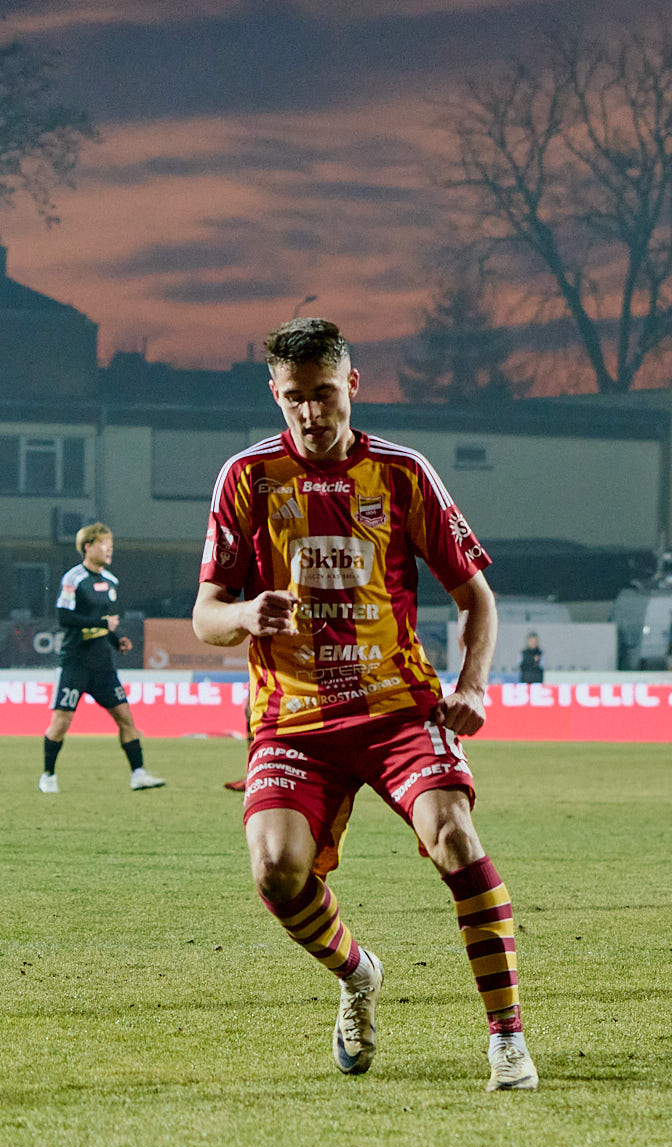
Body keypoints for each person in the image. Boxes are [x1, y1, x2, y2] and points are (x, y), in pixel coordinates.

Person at [191, 317, 536, 1092]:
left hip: (396, 709)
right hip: (293, 720)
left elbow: (476, 597)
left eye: (323, 393)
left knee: (454, 836)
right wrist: (245, 614)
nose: (310, 412)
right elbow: (206, 615)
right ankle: (357, 975)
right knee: (275, 870)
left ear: (352, 384)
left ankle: (508, 1040)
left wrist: (472, 687)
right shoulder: (247, 477)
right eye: (294, 398)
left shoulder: (403, 474)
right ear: (274, 395)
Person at [39, 522, 166, 794]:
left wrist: (116, 639)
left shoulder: (111, 581)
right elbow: (64, 617)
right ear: (88, 546)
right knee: (61, 723)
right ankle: (48, 775)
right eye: (104, 544)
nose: (109, 549)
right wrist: (102, 623)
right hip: (75, 663)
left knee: (125, 718)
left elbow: (104, 622)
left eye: (111, 545)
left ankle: (138, 774)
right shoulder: (73, 579)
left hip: (102, 665)